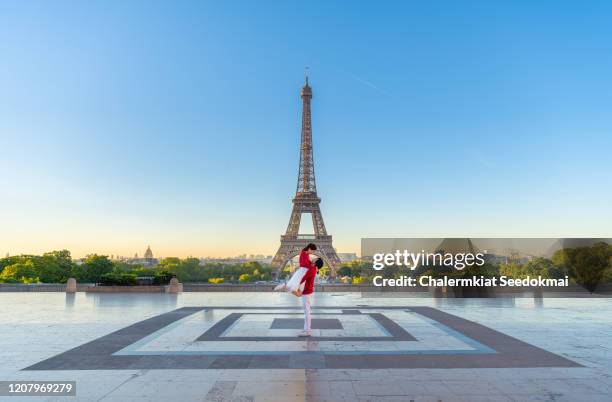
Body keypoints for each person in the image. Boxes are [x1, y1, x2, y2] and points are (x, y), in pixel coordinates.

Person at [294, 256, 320, 336]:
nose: (313, 258)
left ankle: (307, 330)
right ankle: (306, 329)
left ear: (315, 262)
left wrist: (295, 283)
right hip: (306, 290)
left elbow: (303, 278)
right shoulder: (313, 268)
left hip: (306, 291)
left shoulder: (312, 269)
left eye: (315, 259)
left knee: (307, 312)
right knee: (306, 311)